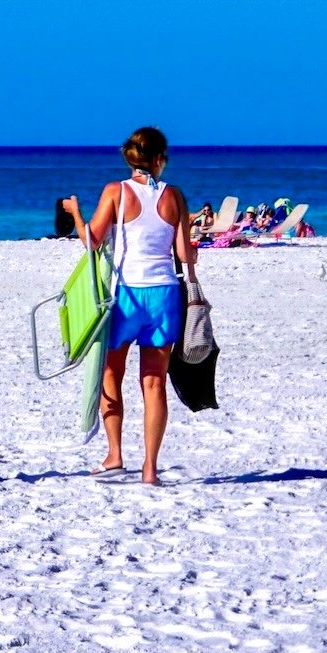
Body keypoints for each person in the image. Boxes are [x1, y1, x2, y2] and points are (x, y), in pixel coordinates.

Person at [65, 126, 195, 486]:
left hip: (127, 296)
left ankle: (115, 454)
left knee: (111, 374)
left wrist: (75, 213)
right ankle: (150, 469)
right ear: (159, 160)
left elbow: (91, 242)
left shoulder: (116, 191)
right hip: (165, 295)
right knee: (153, 384)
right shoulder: (175, 197)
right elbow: (185, 254)